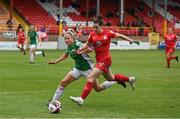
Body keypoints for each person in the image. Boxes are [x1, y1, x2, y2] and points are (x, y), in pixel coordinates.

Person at [48, 29, 126, 104]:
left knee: (98, 88)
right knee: (63, 83)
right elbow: (65, 56)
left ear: (73, 38)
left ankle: (115, 80)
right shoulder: (69, 46)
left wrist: (81, 51)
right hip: (77, 69)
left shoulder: (78, 44)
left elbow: (90, 49)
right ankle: (53, 102)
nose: (66, 40)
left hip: (88, 69)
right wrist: (55, 61)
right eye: (65, 39)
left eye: (68, 38)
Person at [70, 20, 136, 105]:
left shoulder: (108, 33)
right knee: (110, 78)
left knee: (90, 77)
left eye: (96, 27)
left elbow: (119, 35)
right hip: (99, 60)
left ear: (102, 26)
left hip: (105, 60)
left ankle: (81, 99)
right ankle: (130, 79)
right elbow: (87, 44)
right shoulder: (92, 35)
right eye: (93, 27)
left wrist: (129, 39)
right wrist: (80, 50)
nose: (95, 29)